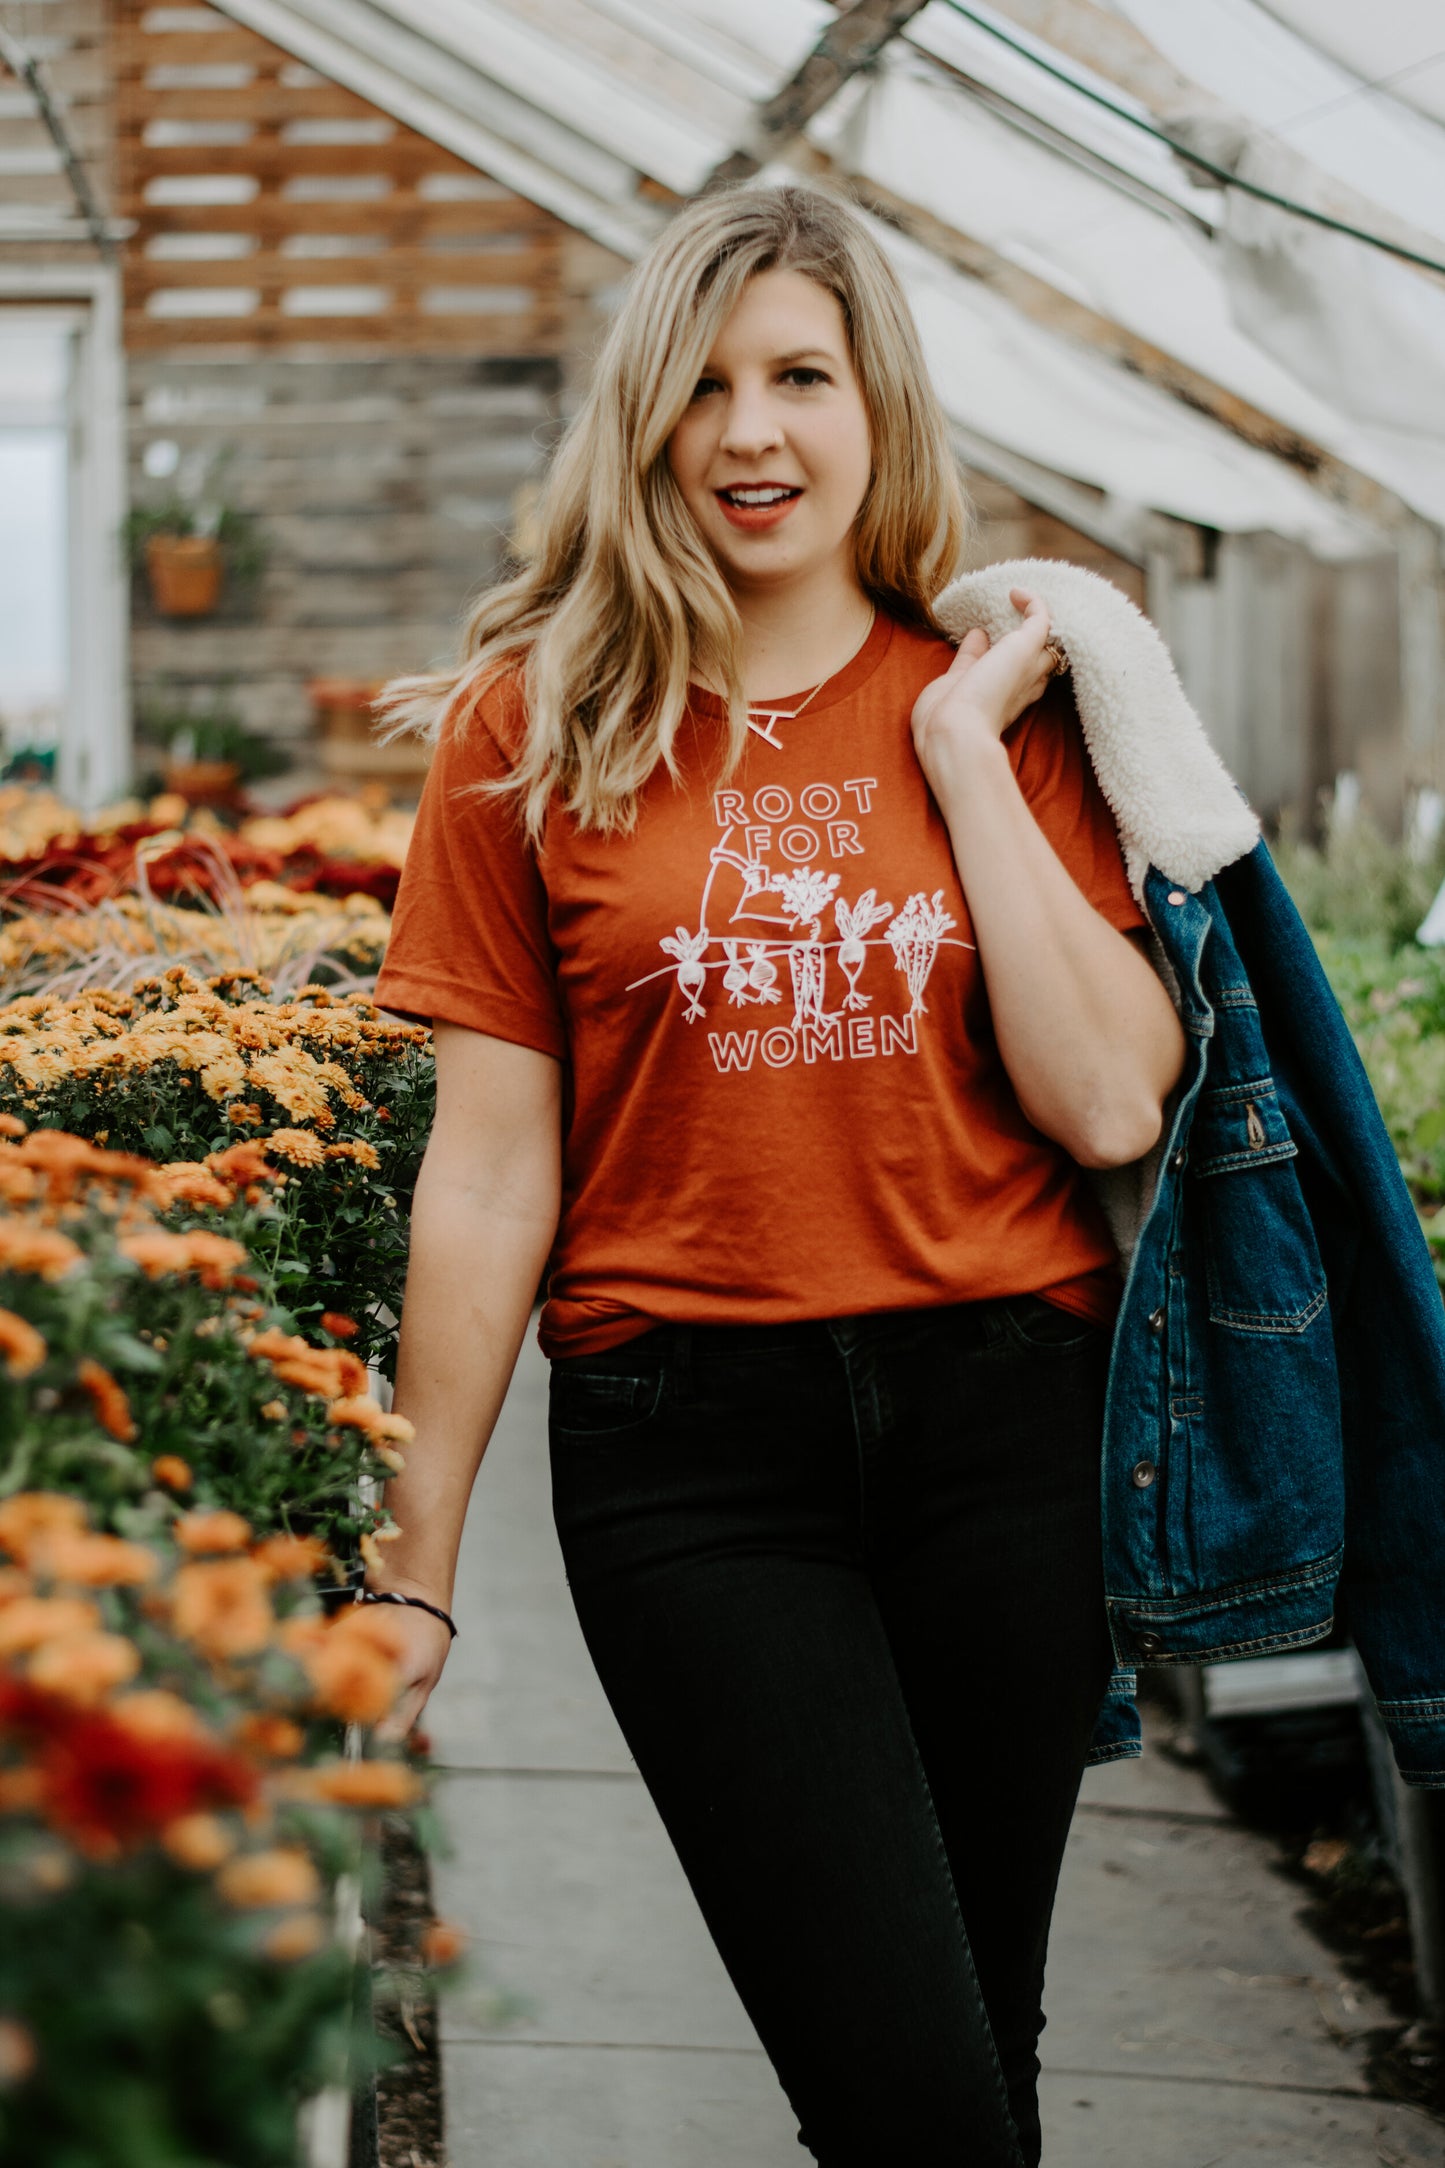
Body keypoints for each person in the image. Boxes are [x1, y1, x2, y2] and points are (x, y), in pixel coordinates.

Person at [368, 182, 1186, 2168]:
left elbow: (1110, 1102)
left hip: (1007, 1425)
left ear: (876, 406)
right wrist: (414, 1570)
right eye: (706, 387)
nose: (753, 433)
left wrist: (970, 757)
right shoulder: (529, 733)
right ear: (641, 422)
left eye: (801, 377)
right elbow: (485, 1181)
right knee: (915, 2095)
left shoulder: (1015, 696)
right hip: (694, 1464)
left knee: (973, 2051)